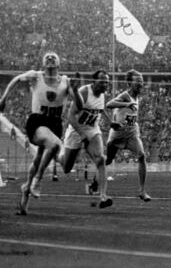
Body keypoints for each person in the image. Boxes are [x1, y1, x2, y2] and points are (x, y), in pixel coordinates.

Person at [0, 52, 79, 215]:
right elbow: (15, 80)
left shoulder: (65, 81)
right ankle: (37, 181)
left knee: (38, 159)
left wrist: (75, 91)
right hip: (37, 121)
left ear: (59, 64)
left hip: (55, 124)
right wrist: (4, 98)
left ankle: (24, 201)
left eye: (53, 57)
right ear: (42, 63)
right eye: (47, 57)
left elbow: (77, 101)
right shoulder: (35, 76)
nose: (50, 58)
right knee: (55, 145)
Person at [58, 70, 113, 208]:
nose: (105, 85)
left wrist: (110, 121)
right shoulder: (84, 92)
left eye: (107, 82)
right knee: (66, 167)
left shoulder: (102, 94)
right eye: (102, 82)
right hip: (76, 130)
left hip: (92, 129)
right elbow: (71, 117)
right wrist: (82, 134)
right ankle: (58, 153)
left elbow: (100, 109)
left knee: (101, 159)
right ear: (94, 82)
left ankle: (103, 197)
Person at [105, 69, 151, 202]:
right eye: (138, 81)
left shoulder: (137, 96)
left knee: (142, 155)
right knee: (108, 160)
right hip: (117, 134)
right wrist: (126, 104)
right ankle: (96, 180)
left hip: (131, 133)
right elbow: (109, 104)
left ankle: (142, 191)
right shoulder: (125, 96)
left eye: (142, 81)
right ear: (130, 83)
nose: (141, 83)